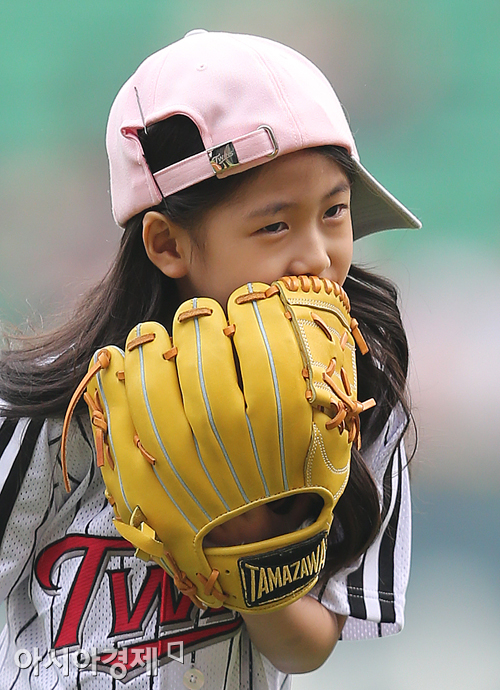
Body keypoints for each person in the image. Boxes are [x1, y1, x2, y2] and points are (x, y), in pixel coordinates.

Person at [0, 30, 420, 689]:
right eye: (275, 224)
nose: (316, 253)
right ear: (168, 243)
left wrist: (254, 547)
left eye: (334, 212)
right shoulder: (48, 412)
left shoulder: (359, 396)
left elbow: (306, 648)